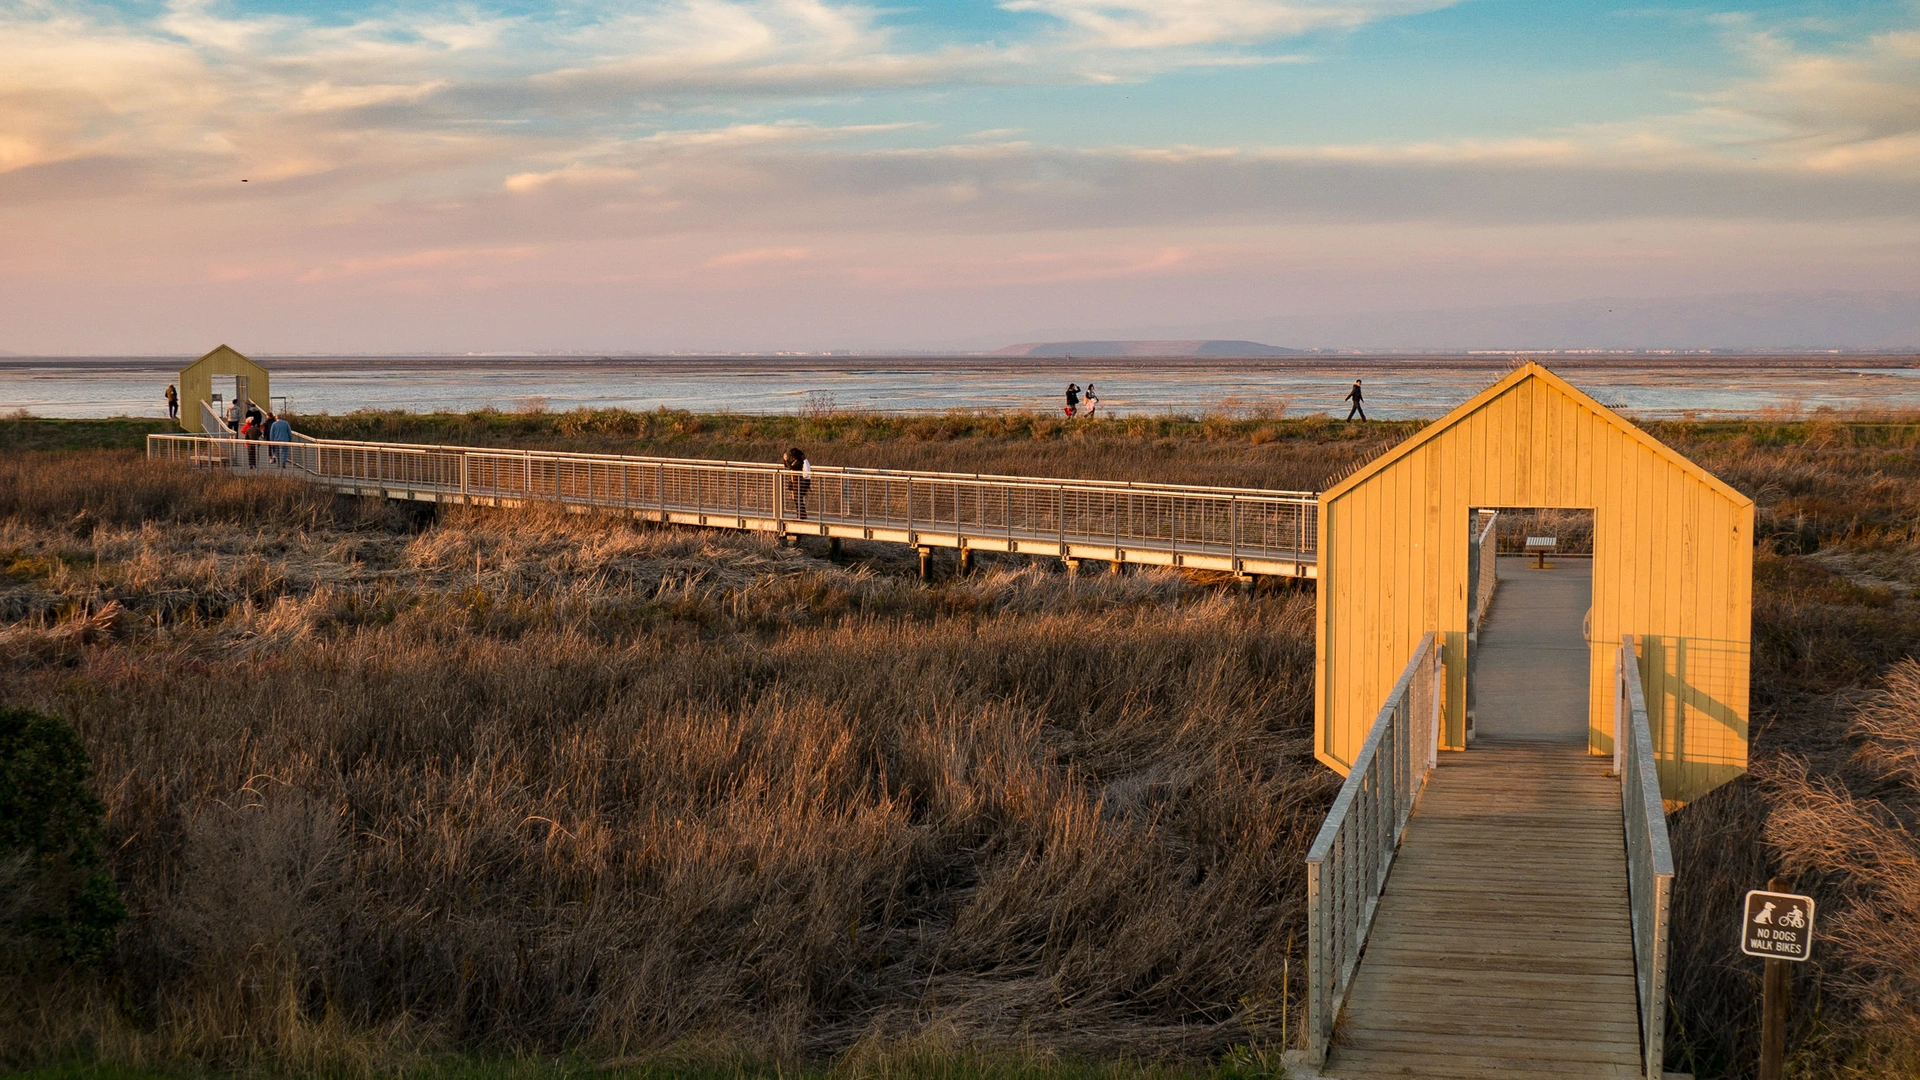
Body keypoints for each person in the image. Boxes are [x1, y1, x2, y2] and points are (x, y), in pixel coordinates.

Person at [782, 446, 812, 519]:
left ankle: (802, 514)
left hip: (800, 483)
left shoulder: (800, 462)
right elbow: (788, 465)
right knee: (796, 498)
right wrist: (784, 460)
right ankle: (800, 513)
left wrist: (786, 460)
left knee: (798, 498)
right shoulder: (796, 461)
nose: (792, 457)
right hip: (796, 482)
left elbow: (792, 467)